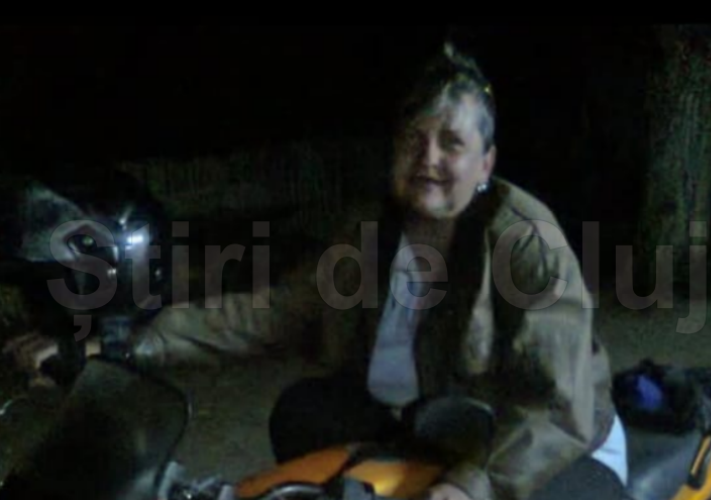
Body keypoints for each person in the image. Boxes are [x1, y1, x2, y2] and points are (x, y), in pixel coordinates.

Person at [7, 42, 627, 499]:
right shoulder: (371, 231)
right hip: (427, 430)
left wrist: (473, 485)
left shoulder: (524, 241)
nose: (429, 159)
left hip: (539, 450)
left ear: (485, 162)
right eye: (414, 140)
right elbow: (273, 313)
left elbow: (560, 408)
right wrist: (119, 346)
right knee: (305, 413)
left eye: (452, 143)